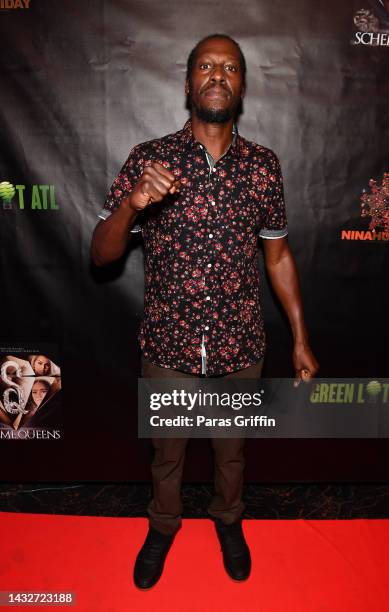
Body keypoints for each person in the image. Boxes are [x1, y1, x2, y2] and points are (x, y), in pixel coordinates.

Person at [91, 33, 319, 589]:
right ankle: (163, 526)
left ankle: (228, 521)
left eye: (231, 68)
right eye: (206, 66)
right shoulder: (150, 159)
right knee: (166, 457)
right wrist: (132, 204)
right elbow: (101, 254)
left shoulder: (263, 167)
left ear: (241, 85)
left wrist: (299, 337)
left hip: (240, 346)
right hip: (168, 345)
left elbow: (279, 256)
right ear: (189, 81)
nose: (218, 75)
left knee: (231, 455)